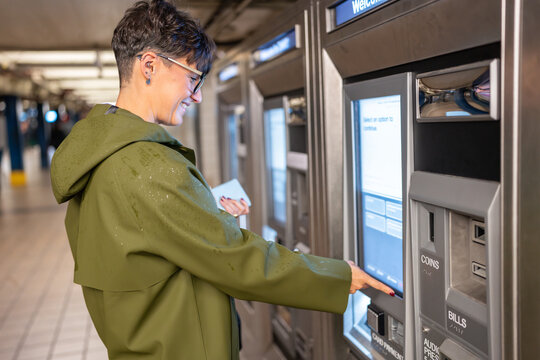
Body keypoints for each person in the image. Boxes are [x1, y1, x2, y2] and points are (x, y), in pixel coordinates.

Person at [50, 1, 394, 359]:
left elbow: (141, 253)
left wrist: (203, 213)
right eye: (192, 77)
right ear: (149, 65)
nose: (197, 95)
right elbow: (240, 261)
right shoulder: (147, 165)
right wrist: (337, 276)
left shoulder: (99, 157)